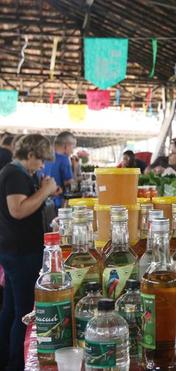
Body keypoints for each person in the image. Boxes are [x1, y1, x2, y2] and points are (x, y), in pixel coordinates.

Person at [0, 134, 58, 370]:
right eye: (41, 160)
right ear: (31, 154)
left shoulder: (20, 174)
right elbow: (18, 210)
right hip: (20, 252)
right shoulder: (14, 174)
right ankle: (16, 363)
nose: (42, 165)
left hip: (17, 250)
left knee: (12, 309)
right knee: (24, 313)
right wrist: (45, 190)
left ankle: (6, 358)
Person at [42, 131, 76, 208]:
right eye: (73, 147)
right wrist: (75, 168)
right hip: (57, 202)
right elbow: (69, 184)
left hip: (43, 201)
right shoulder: (64, 159)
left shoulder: (44, 156)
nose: (72, 151)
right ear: (66, 146)